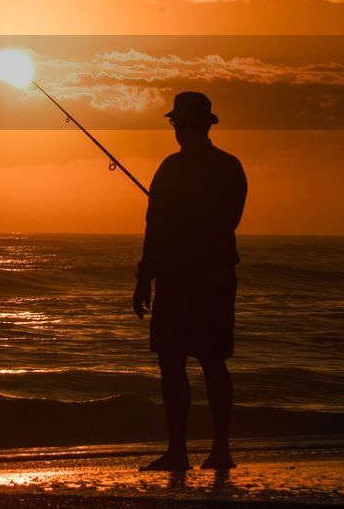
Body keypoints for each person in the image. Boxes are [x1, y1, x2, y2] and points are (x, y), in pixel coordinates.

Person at [133, 91, 247, 472]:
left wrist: (145, 278)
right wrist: (145, 276)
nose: (177, 130)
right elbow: (158, 227)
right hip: (204, 278)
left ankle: (189, 450)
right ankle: (208, 449)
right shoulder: (227, 166)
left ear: (192, 126)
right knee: (199, 362)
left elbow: (162, 226)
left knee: (189, 362)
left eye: (179, 124)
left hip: (189, 279)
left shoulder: (177, 168)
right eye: (176, 124)